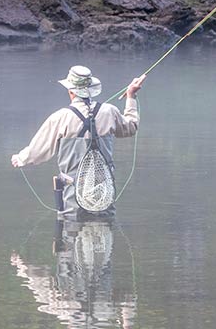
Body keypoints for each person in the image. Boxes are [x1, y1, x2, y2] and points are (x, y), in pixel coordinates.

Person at [11, 65, 145, 217]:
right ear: (91, 90)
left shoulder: (61, 117)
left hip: (72, 194)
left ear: (70, 91)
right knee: (104, 226)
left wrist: (20, 159)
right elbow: (131, 127)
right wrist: (131, 97)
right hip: (104, 191)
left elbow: (37, 151)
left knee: (71, 231)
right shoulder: (109, 111)